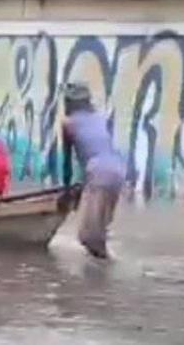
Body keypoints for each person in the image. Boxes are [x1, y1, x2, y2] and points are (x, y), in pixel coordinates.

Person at [62, 82, 126, 259]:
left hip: (97, 173)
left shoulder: (68, 124)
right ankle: (102, 277)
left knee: (86, 236)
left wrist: (67, 191)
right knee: (99, 235)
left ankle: (105, 269)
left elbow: (67, 165)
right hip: (118, 171)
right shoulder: (101, 118)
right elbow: (97, 147)